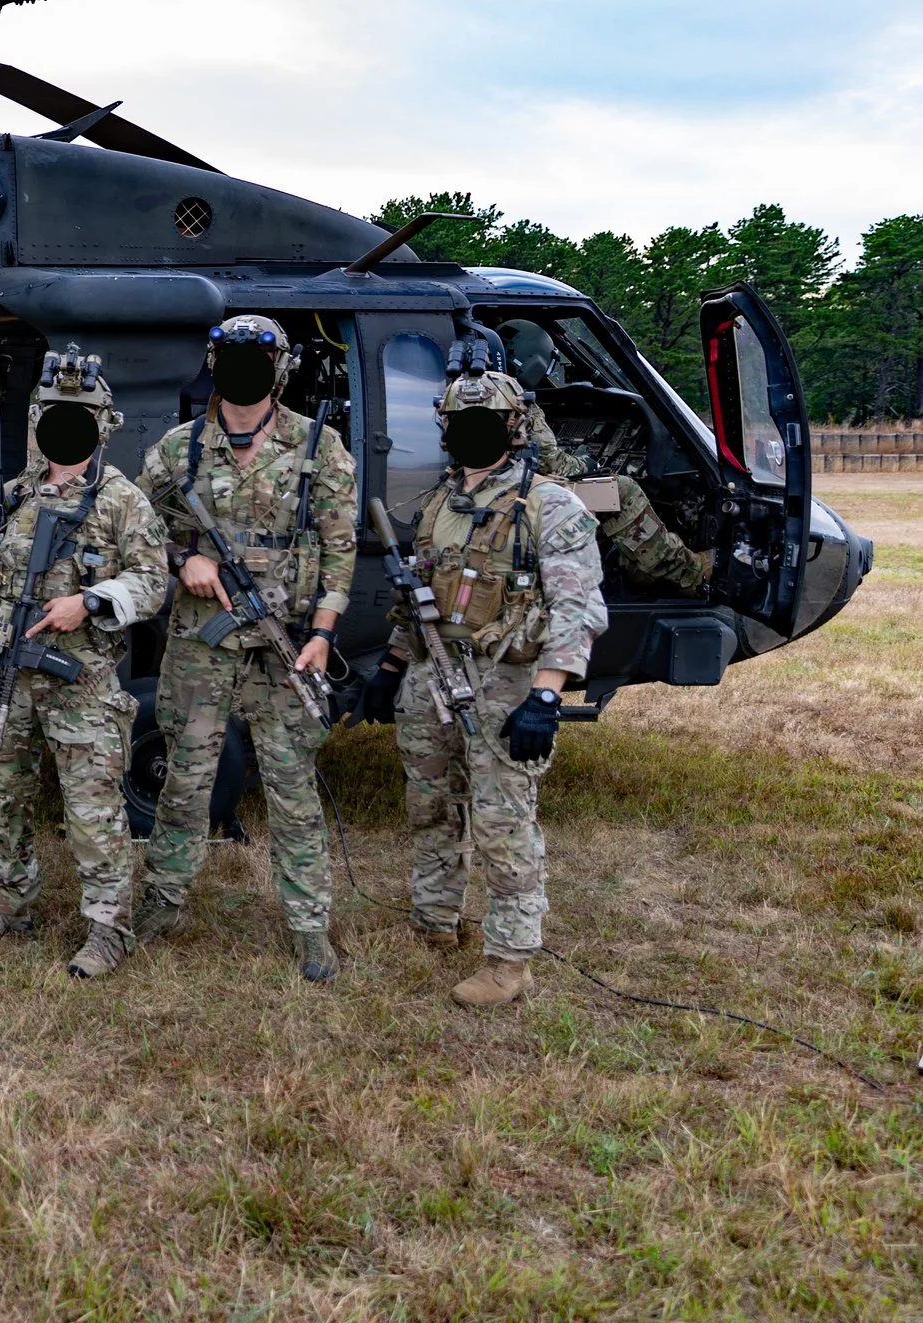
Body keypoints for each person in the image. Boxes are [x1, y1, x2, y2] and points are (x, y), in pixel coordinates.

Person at [355, 364, 608, 1007]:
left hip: (505, 681)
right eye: (459, 422)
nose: (469, 433)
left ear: (513, 427)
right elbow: (418, 599)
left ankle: (510, 958)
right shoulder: (440, 502)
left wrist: (547, 695)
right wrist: (389, 670)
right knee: (430, 807)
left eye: (485, 423)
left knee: (502, 821)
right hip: (429, 676)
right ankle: (435, 919)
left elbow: (578, 610)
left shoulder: (550, 506)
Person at [133, 314, 357, 984]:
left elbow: (341, 551)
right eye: (231, 356)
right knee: (184, 781)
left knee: (293, 790)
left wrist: (320, 634)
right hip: (201, 644)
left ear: (280, 367)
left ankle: (311, 926)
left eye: (257, 357)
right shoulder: (179, 449)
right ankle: (162, 904)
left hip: (284, 646)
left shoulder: (318, 447)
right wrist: (182, 561)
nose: (244, 369)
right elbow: (138, 531)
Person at [0, 348, 171, 977]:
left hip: (82, 680)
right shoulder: (14, 494)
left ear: (101, 424)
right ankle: (9, 900)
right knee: (1, 793)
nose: (62, 427)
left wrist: (91, 601)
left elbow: (154, 581)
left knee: (93, 810)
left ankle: (106, 927)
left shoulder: (120, 500)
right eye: (53, 415)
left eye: (77, 416)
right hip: (9, 675)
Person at [496, 319, 710, 594]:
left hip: (503, 488)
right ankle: (689, 575)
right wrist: (587, 463)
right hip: (518, 497)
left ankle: (629, 570)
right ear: (534, 363)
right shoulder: (517, 400)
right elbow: (554, 464)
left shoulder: (483, 390)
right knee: (621, 491)